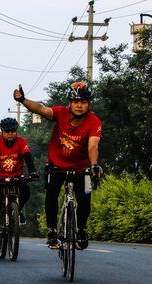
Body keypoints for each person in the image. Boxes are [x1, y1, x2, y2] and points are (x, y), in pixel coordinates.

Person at [13, 82, 102, 250]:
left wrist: (94, 165)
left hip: (81, 167)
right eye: (76, 102)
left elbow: (93, 146)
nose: (79, 105)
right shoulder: (61, 113)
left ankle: (81, 229)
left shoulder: (93, 121)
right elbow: (41, 109)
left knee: (85, 199)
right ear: (69, 103)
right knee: (51, 195)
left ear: (88, 104)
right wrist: (23, 100)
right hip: (56, 165)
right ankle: (52, 230)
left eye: (83, 102)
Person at [0, 117, 39, 249]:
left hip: (16, 177)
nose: (10, 133)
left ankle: (17, 211)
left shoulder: (21, 142)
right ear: (2, 131)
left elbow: (27, 157)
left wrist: (32, 172)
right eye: (7, 131)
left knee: (26, 191)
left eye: (13, 131)